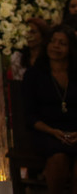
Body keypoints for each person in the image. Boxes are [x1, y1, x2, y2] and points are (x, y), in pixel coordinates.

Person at [23, 25, 77, 193]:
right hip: (46, 132)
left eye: (62, 43)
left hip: (75, 131)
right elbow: (29, 115)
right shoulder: (34, 74)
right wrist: (53, 131)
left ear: (71, 49)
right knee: (59, 157)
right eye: (53, 42)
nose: (56, 46)